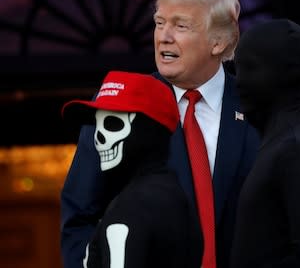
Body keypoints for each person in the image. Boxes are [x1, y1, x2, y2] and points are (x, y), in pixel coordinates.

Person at [60, 0, 259, 268]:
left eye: (180, 26)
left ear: (219, 41)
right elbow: (79, 217)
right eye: (159, 22)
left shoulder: (258, 107)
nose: (163, 36)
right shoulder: (119, 106)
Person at [62, 71, 202, 267]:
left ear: (147, 130)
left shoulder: (126, 211)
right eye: (97, 125)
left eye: (112, 123)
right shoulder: (181, 201)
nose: (97, 138)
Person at [230, 19, 300, 267]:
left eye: (251, 68)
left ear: (290, 73)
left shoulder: (296, 150)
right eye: (237, 69)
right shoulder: (279, 147)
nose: (239, 81)